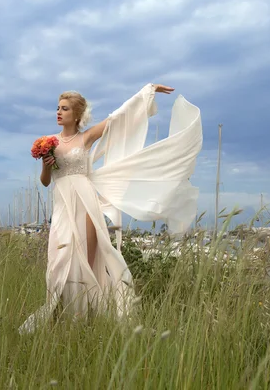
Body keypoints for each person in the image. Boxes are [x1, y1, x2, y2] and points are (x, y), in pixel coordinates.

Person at [18, 83, 203, 334]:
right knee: (59, 261)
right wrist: (47, 165)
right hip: (62, 205)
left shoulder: (85, 138)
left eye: (64, 108)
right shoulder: (49, 143)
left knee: (86, 257)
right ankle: (58, 314)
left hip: (85, 203)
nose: (58, 112)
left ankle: (85, 317)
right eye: (58, 108)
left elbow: (117, 118)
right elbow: (45, 182)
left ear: (77, 114)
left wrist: (145, 93)